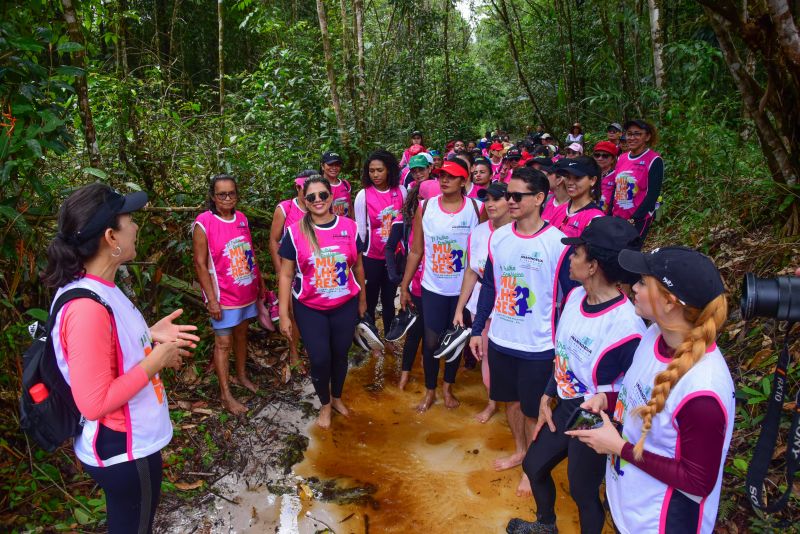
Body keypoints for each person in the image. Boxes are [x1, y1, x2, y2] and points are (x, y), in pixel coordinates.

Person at [44, 184, 196, 533]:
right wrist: (156, 360)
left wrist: (150, 334)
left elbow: (112, 350)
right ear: (111, 236)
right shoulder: (86, 308)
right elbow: (94, 402)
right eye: (129, 218)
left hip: (128, 444)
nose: (136, 225)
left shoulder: (100, 287)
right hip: (124, 451)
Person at [566, 247, 733, 534]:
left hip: (663, 521)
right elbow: (644, 392)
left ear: (669, 302)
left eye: (643, 282)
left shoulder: (703, 389)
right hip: (632, 504)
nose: (633, 287)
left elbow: (698, 481)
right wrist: (607, 399)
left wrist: (618, 447)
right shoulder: (654, 335)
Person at [507, 217, 645, 534]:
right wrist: (547, 392)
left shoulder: (627, 327)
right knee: (533, 465)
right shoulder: (574, 298)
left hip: (595, 414)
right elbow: (564, 356)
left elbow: (635, 391)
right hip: (568, 402)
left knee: (582, 490)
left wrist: (606, 413)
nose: (570, 258)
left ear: (593, 265)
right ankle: (546, 525)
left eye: (576, 254)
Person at [469, 166, 574, 497]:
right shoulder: (498, 237)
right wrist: (477, 329)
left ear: (540, 198)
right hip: (500, 339)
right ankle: (520, 451)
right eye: (507, 195)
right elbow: (489, 286)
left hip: (538, 346)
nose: (508, 201)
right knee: (510, 403)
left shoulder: (558, 243)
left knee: (534, 412)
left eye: (517, 196)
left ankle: (533, 466)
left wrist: (564, 350)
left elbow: (569, 299)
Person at [278, 176, 367, 428]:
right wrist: (284, 314)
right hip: (310, 307)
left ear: (331, 197)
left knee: (340, 355)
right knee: (319, 359)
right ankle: (325, 406)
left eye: (323, 195)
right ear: (304, 201)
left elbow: (358, 267)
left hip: (344, 305)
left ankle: (337, 398)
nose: (318, 200)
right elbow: (285, 274)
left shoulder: (349, 227)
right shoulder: (294, 233)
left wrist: (362, 299)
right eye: (311, 197)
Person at [400, 160, 481, 412]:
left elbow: (482, 248)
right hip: (432, 287)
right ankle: (430, 391)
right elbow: (416, 250)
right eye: (441, 175)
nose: (444, 180)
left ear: (464, 181)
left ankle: (448, 387)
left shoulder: (476, 209)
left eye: (452, 176)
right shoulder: (426, 208)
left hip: (462, 290)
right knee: (432, 341)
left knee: (455, 340)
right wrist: (404, 286)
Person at [193, 175, 272, 415]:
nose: (227, 198)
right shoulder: (203, 223)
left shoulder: (242, 219)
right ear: (213, 196)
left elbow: (249, 252)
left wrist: (259, 283)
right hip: (223, 296)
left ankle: (241, 376)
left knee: (241, 335)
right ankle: (226, 394)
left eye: (231, 194)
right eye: (221, 194)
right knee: (223, 343)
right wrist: (212, 300)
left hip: (246, 292)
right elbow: (199, 263)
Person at [453, 181, 511, 424]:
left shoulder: (518, 232)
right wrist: (460, 308)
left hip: (511, 306)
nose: (490, 204)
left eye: (496, 199)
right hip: (482, 306)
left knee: (510, 358)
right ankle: (492, 403)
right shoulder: (478, 232)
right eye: (487, 200)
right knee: (486, 354)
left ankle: (516, 408)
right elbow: (471, 272)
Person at [355, 150, 407, 340]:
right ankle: (371, 338)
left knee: (388, 298)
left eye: (379, 170)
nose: (375, 175)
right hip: (371, 256)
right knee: (369, 298)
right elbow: (360, 230)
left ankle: (390, 337)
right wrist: (358, 260)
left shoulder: (401, 191)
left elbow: (405, 226)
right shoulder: (363, 195)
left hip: (393, 256)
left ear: (389, 170)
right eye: (371, 171)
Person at [385, 179, 431, 390]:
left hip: (436, 288)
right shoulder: (404, 222)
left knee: (433, 334)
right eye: (422, 199)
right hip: (414, 283)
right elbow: (392, 248)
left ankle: (428, 375)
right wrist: (399, 280)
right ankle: (404, 377)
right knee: (414, 332)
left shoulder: (444, 222)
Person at [269, 170, 314, 369]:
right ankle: (294, 353)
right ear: (297, 188)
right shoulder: (285, 209)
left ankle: (310, 348)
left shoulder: (318, 206)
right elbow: (274, 240)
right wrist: (280, 272)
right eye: (303, 188)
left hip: (312, 271)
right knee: (292, 313)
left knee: (310, 312)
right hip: (291, 270)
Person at [611, 119, 663, 240]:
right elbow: (616, 187)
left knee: (629, 254)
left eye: (637, 134)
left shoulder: (654, 160)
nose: (632, 137)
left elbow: (652, 195)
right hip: (617, 217)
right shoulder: (622, 158)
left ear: (647, 136)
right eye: (629, 134)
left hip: (638, 220)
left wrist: (635, 218)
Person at [549, 157, 605, 238]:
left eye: (577, 177)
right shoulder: (559, 208)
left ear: (592, 180)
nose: (570, 182)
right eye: (567, 177)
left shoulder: (595, 218)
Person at [321, 151, 353, 218]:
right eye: (330, 164)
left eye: (337, 165)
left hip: (345, 225)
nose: (334, 168)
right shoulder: (318, 186)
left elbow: (350, 208)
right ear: (322, 166)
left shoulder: (345, 184)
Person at [592, 141, 619, 214]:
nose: (600, 158)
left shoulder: (616, 176)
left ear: (613, 159)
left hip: (607, 218)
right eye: (597, 155)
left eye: (605, 156)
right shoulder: (588, 174)